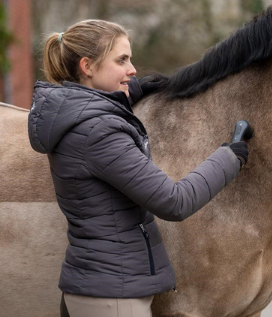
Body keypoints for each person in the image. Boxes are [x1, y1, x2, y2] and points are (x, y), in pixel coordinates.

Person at [27, 19, 248, 317]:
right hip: (114, 300)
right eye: (121, 60)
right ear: (87, 66)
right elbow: (174, 201)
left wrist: (126, 94)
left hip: (95, 290)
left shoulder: (75, 118)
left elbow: (96, 106)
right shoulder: (99, 132)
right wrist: (230, 157)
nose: (132, 70)